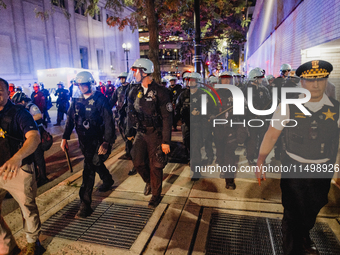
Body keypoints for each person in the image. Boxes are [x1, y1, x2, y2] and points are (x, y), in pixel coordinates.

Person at [256, 60, 338, 255]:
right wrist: (261, 160)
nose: (316, 85)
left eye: (320, 79)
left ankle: (304, 234)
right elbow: (271, 134)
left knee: (314, 208)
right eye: (310, 80)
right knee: (292, 215)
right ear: (302, 82)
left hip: (322, 169)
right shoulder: (288, 107)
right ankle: (294, 247)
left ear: (326, 81)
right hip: (295, 168)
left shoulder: (336, 108)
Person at [60, 71, 115, 218]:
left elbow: (109, 121)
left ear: (90, 84)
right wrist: (65, 138)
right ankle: (107, 179)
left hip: (98, 140)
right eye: (79, 84)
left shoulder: (100, 99)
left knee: (88, 168)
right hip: (84, 141)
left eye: (84, 84)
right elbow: (70, 120)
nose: (82, 87)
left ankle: (85, 205)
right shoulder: (76, 100)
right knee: (94, 163)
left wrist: (106, 142)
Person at [0, 78, 42, 255]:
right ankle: (7, 246)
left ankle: (33, 243)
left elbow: (34, 137)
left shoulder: (19, 113)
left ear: (7, 92)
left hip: (18, 170)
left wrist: (17, 158)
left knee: (27, 209)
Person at [126, 58, 172, 208]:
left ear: (144, 71)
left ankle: (155, 195)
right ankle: (148, 182)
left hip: (155, 133)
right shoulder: (134, 91)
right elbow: (130, 112)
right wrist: (129, 131)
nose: (134, 74)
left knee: (156, 165)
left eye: (136, 71)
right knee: (138, 161)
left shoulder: (162, 92)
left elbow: (167, 118)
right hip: (141, 132)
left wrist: (166, 141)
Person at [11, 92, 49, 186]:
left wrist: (26, 119)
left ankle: (43, 178)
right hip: (27, 134)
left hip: (37, 132)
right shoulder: (21, 109)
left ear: (23, 101)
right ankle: (36, 177)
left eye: (18, 102)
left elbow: (39, 116)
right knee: (32, 157)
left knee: (39, 157)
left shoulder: (31, 106)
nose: (17, 105)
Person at [109, 72, 136, 175]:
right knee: (124, 134)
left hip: (131, 115)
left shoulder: (132, 88)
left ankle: (134, 156)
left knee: (132, 135)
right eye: (120, 78)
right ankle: (128, 151)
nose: (122, 80)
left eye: (123, 78)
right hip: (121, 114)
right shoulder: (118, 89)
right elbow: (112, 101)